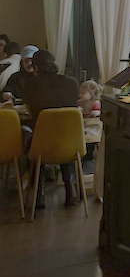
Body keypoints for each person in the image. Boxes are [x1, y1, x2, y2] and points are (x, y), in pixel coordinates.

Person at [24, 50, 80, 208]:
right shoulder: (72, 82)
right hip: (70, 143)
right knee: (61, 135)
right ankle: (71, 189)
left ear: (35, 67)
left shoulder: (31, 84)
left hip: (42, 145)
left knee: (34, 140)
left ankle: (38, 192)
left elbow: (29, 110)